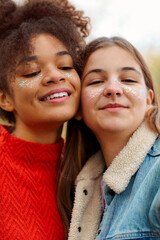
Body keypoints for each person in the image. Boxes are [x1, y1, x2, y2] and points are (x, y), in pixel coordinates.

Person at [0, 0, 89, 239]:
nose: (53, 76)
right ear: (5, 98)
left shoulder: (89, 169)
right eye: (32, 72)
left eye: (65, 66)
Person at [66, 36, 160, 240]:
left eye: (128, 80)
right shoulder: (80, 188)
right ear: (78, 107)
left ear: (148, 100)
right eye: (97, 81)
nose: (113, 89)